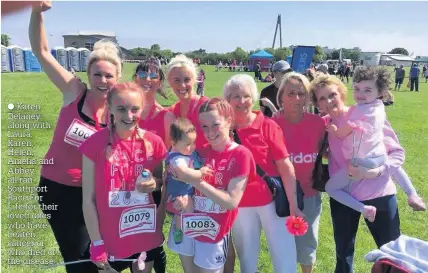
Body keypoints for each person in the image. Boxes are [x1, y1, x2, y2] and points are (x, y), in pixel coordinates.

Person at [29, 2, 120, 272]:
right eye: (97, 74)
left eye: (108, 75)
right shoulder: (74, 92)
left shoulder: (118, 112)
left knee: (102, 255)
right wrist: (36, 12)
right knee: (78, 259)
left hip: (96, 196)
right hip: (58, 190)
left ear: (117, 78)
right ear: (88, 74)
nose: (102, 80)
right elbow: (42, 52)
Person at [309, 74, 418, 273]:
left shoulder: (365, 115)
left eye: (332, 94)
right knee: (343, 253)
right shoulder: (323, 124)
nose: (329, 101)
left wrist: (376, 172)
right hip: (344, 197)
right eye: (322, 98)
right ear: (318, 104)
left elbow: (396, 153)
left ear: (342, 93)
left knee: (392, 253)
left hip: (379, 193)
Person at [79, 82, 167, 272]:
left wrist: (154, 183)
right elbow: (88, 200)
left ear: (142, 109)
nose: (129, 116)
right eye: (121, 109)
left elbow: (160, 182)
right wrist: (97, 243)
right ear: (110, 108)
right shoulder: (94, 144)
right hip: (110, 238)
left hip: (145, 233)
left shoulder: (154, 142)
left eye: (135, 109)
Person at [223, 74, 303, 273]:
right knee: (247, 260)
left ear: (254, 97)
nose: (241, 101)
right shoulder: (224, 129)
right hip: (240, 206)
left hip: (272, 203)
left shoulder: (267, 125)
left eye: (246, 96)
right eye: (235, 96)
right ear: (227, 101)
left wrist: (293, 204)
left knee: (284, 257)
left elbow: (286, 167)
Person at [167, 98, 257, 273]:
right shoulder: (197, 151)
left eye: (215, 125)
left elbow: (230, 202)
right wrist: (177, 200)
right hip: (187, 224)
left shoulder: (241, 154)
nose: (210, 132)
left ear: (229, 121)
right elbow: (176, 181)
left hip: (213, 232)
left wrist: (195, 181)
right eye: (204, 127)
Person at [324, 67, 425, 222]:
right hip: (378, 156)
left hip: (363, 164)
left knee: (330, 188)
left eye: (367, 90)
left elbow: (343, 133)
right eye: (357, 89)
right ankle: (412, 193)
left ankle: (364, 209)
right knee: (389, 162)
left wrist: (334, 130)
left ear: (380, 92)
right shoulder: (378, 107)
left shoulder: (361, 112)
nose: (360, 94)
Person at [271, 72, 326, 273]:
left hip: (310, 193)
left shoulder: (318, 123)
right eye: (291, 93)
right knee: (282, 245)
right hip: (279, 196)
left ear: (307, 97)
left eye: (301, 94)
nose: (296, 99)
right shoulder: (272, 124)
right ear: (281, 96)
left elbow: (326, 152)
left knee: (307, 243)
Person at [165, 118, 212, 244]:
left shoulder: (185, 153)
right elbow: (184, 173)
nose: (191, 147)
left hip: (184, 190)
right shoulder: (177, 158)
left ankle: (183, 228)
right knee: (188, 208)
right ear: (173, 143)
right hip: (180, 191)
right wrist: (200, 173)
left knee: (185, 209)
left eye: (193, 142)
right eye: (187, 144)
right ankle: (179, 230)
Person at [166, 54, 210, 149]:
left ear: (194, 80)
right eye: (177, 80)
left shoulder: (207, 106)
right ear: (170, 82)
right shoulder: (172, 111)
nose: (182, 85)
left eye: (187, 80)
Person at [133, 58, 176, 147]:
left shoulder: (167, 118)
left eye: (153, 76)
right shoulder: (122, 111)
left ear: (160, 83)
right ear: (135, 79)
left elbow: (167, 155)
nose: (148, 79)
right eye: (142, 74)